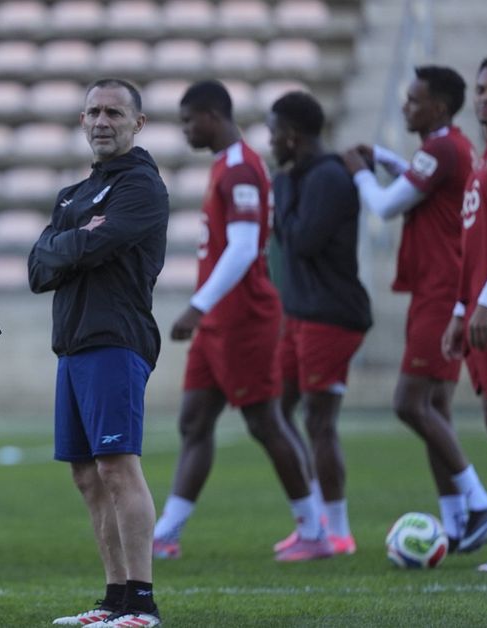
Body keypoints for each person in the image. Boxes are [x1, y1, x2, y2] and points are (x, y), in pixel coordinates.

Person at [152, 80, 327, 561]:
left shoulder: (242, 170)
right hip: (218, 320)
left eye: (189, 120)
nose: (186, 130)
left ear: (212, 115)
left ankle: (314, 528)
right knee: (194, 420)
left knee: (265, 421)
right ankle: (166, 532)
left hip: (243, 316)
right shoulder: (226, 167)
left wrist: (198, 305)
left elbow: (246, 247)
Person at [29, 78, 167, 628]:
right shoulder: (73, 196)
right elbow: (38, 268)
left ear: (138, 123)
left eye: (114, 112)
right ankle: (113, 599)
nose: (102, 121)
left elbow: (95, 244)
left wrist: (71, 244)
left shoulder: (142, 187)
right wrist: (74, 242)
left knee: (117, 466)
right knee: (87, 475)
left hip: (116, 338)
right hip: (74, 344)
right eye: (93, 112)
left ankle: (142, 602)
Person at [343, 64, 487, 554]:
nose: (405, 106)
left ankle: (478, 501)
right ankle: (456, 523)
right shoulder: (456, 149)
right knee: (436, 408)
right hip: (446, 291)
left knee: (409, 403)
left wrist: (363, 173)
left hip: (443, 291)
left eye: (413, 100)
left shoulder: (443, 148)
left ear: (439, 108)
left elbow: (386, 205)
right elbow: (417, 178)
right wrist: (385, 156)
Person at [268, 91, 372, 557]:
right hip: (301, 313)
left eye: (274, 133)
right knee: (276, 409)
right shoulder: (301, 177)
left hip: (332, 315)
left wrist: (283, 190)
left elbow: (302, 242)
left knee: (319, 422)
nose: (270, 142)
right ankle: (312, 523)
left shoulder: (327, 177)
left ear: (292, 135)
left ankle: (338, 531)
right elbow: (286, 236)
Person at [441, 55, 487, 570]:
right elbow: (473, 248)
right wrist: (461, 310)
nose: (485, 97)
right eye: (481, 88)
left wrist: (486, 301)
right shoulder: (484, 161)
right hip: (480, 316)